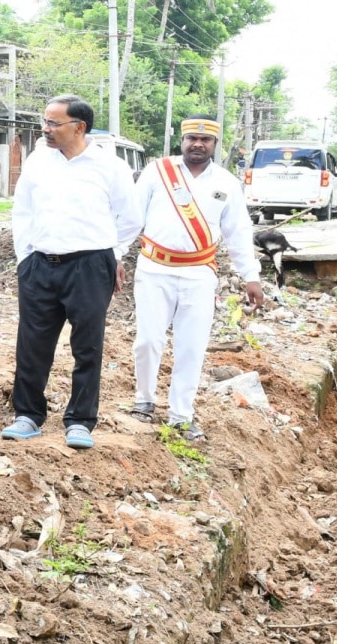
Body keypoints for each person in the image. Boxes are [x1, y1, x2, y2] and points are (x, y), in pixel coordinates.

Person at [0, 95, 144, 449]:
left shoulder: (109, 167)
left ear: (79, 127)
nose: (45, 129)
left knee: (87, 345)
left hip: (90, 266)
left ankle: (80, 420)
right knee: (32, 343)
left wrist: (112, 253)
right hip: (40, 264)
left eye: (54, 123)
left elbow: (132, 219)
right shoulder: (37, 162)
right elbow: (23, 211)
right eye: (45, 122)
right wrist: (25, 257)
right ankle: (28, 414)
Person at [131, 115, 263, 440]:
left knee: (192, 347)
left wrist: (251, 276)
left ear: (214, 144)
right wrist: (112, 256)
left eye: (205, 140)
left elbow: (238, 232)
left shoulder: (227, 183)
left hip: (199, 274)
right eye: (192, 138)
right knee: (148, 340)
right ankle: (144, 400)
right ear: (183, 140)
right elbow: (131, 217)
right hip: (153, 269)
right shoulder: (157, 171)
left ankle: (181, 414)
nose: (198, 144)